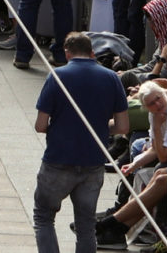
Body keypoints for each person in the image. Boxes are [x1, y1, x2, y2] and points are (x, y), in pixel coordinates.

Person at [35, 31, 128, 253]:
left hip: (58, 161)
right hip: (92, 163)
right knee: (86, 226)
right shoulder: (111, 78)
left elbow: (40, 125)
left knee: (44, 216)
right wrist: (99, 128)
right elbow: (123, 127)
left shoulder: (57, 76)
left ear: (67, 54)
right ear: (92, 53)